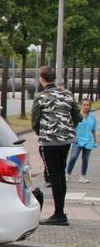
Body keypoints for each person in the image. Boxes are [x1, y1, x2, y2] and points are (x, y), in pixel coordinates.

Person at [31, 65, 80, 226]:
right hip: (66, 141)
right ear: (55, 78)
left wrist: (43, 133)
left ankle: (59, 215)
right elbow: (77, 116)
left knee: (54, 176)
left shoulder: (41, 97)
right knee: (60, 173)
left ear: (42, 79)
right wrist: (66, 129)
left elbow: (35, 122)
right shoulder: (68, 95)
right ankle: (60, 212)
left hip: (49, 141)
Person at [66, 100, 96, 184]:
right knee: (73, 157)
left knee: (85, 159)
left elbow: (93, 130)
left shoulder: (92, 116)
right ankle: (67, 174)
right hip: (77, 140)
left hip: (88, 141)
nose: (86, 107)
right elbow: (71, 127)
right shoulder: (76, 116)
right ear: (81, 105)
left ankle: (82, 177)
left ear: (90, 106)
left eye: (88, 105)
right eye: (84, 105)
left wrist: (95, 142)